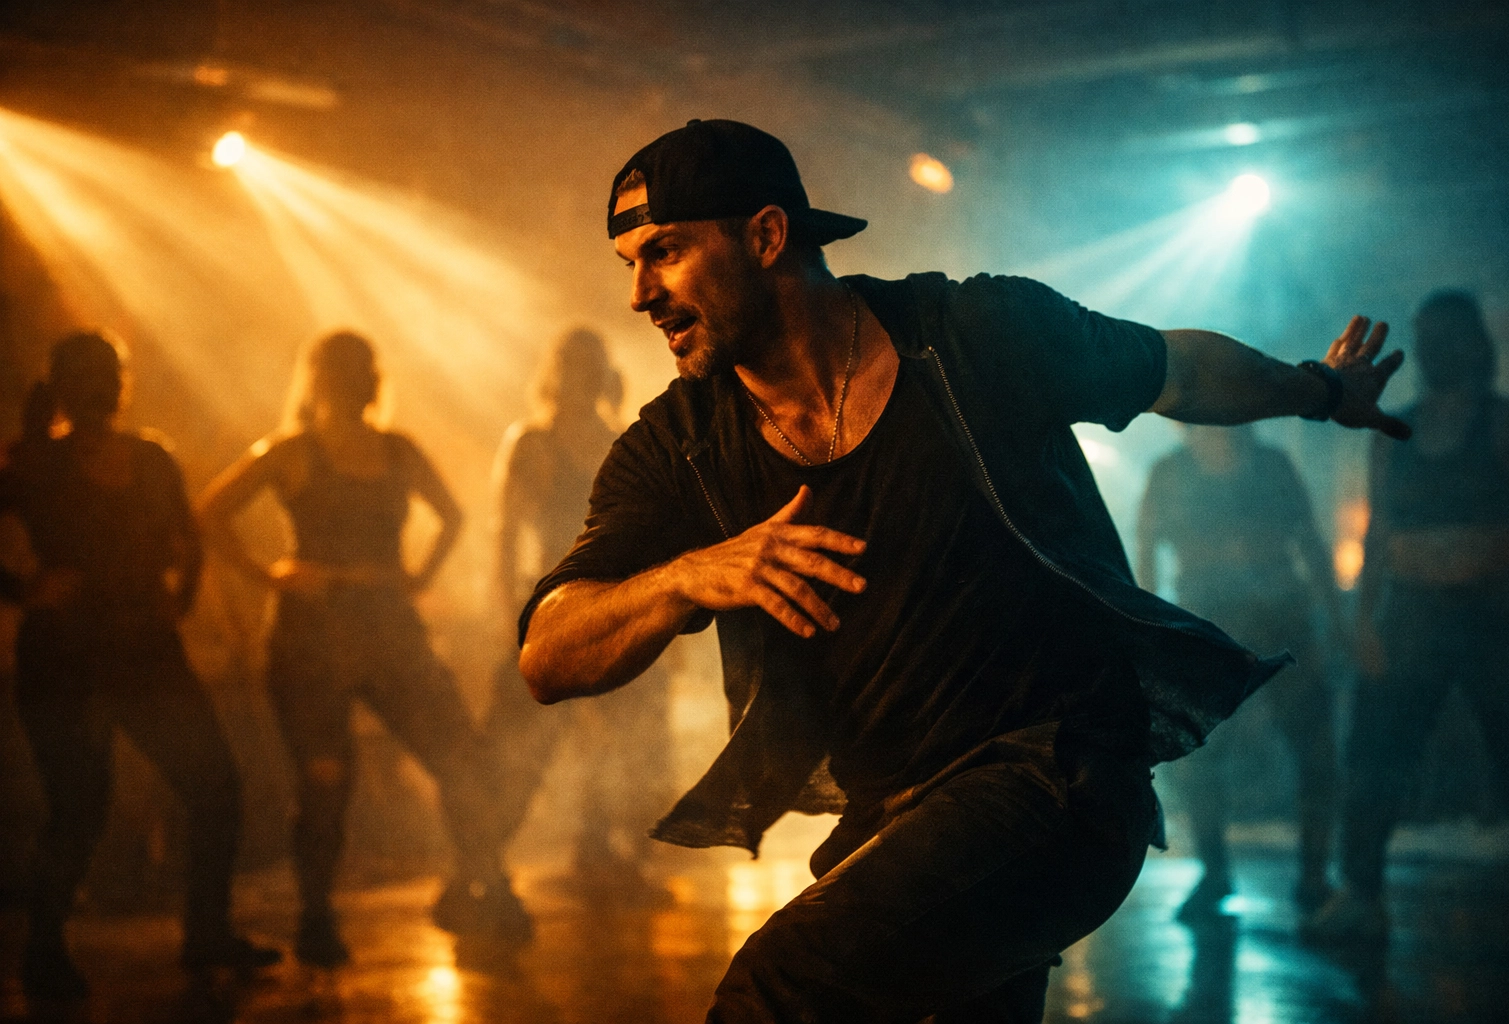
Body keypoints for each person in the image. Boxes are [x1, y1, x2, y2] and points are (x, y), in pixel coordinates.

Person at [516, 119, 1409, 1022]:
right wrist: (685, 576)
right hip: (893, 819)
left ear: (767, 235)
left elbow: (1175, 369)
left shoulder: (974, 334)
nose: (639, 295)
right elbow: (547, 654)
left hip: (1059, 781)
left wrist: (1324, 391)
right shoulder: (679, 450)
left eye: (663, 252)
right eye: (628, 262)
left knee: (775, 991)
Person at [198, 331, 522, 968]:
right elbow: (211, 511)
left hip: (386, 626)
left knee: (457, 753)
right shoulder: (294, 452)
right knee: (326, 780)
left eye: (359, 371)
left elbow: (454, 516)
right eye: (343, 372)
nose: (353, 382)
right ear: (322, 380)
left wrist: (417, 578)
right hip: (312, 635)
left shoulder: (395, 452)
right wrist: (271, 574)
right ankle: (317, 918)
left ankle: (480, 883)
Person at [0, 332, 280, 1001]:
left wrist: (177, 597)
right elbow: (188, 541)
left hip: (142, 652)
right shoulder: (37, 463)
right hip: (68, 656)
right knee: (81, 806)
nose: (107, 388)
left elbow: (188, 536)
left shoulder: (152, 459)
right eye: (97, 377)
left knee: (211, 786)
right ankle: (43, 951)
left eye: (110, 376)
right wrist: (24, 589)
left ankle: (204, 932)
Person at [1306, 290, 1509, 943]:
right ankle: (1360, 893)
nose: (1435, 348)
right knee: (1376, 751)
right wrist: (1366, 621)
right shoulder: (1392, 430)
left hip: (1493, 605)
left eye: (1447, 335)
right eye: (1424, 335)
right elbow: (1379, 530)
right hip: (1411, 608)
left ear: (1474, 343)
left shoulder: (1508, 420)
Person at [483, 327, 675, 896]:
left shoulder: (620, 440)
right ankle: (480, 865)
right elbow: (504, 537)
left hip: (617, 604)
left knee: (619, 742)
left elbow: (650, 534)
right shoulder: (532, 443)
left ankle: (598, 854)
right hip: (551, 607)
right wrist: (507, 622)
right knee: (522, 751)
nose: (578, 375)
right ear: (553, 371)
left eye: (588, 363)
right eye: (569, 363)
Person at [1137, 423, 1339, 919]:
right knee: (1199, 753)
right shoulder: (1169, 473)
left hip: (1283, 618)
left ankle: (1313, 874)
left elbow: (1310, 541)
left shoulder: (1271, 464)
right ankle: (1215, 870)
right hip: (1209, 623)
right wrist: (1148, 628)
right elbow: (1146, 549)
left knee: (1313, 744)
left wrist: (1334, 621)